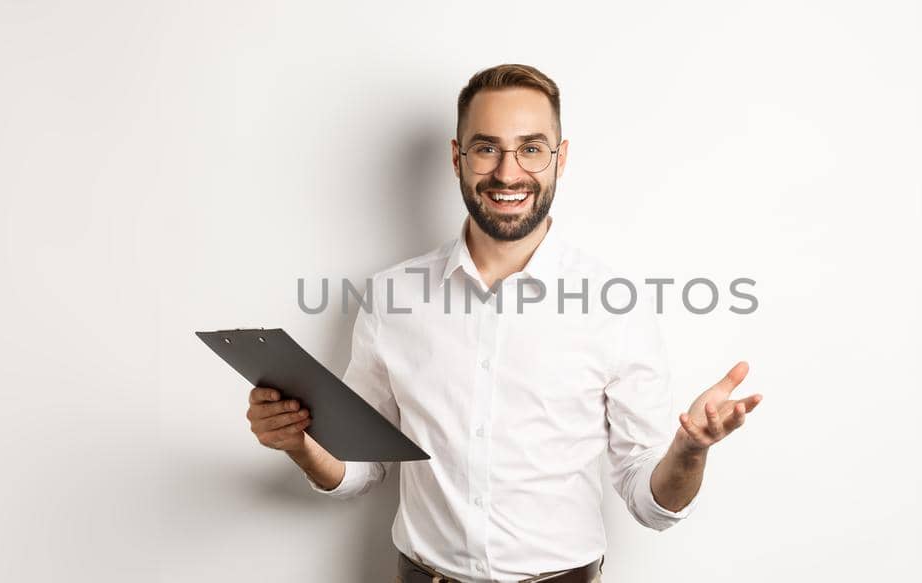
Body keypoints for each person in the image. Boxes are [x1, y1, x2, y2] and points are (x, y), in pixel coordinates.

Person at [245, 64, 764, 583]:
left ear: (560, 160)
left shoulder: (616, 306)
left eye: (531, 149)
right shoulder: (390, 297)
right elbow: (361, 466)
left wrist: (689, 452)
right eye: (487, 148)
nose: (508, 173)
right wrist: (301, 444)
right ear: (458, 158)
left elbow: (650, 502)